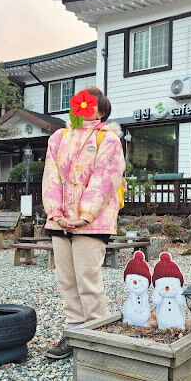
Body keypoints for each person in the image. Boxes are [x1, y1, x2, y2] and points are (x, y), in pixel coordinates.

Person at [42, 86, 126, 359]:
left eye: (91, 103)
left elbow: (106, 177)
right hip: (59, 221)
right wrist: (55, 213)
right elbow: (51, 176)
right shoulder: (59, 136)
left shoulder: (108, 138)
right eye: (80, 102)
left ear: (102, 112)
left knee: (88, 279)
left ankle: (97, 335)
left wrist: (85, 215)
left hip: (93, 221)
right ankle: (74, 332)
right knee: (66, 279)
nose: (84, 107)